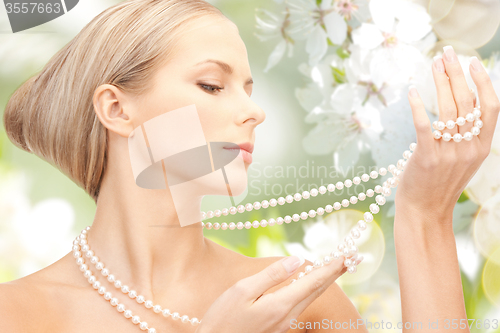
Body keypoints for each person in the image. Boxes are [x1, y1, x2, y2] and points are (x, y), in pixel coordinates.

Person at [1, 0, 498, 332]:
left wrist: (425, 215)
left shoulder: (292, 300)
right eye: (212, 85)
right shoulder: (17, 312)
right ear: (116, 110)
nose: (254, 112)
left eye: (249, 89)